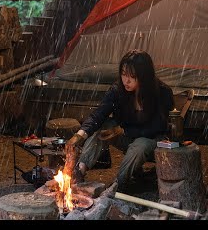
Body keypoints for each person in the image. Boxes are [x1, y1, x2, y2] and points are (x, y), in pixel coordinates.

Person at [64, 49, 175, 191]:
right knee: (102, 127)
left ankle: (118, 184)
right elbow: (99, 114)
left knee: (140, 146)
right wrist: (79, 135)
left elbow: (158, 126)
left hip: (152, 140)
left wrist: (122, 130)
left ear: (144, 76)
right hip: (125, 136)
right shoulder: (117, 90)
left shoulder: (161, 92)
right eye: (123, 74)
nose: (126, 80)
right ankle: (79, 170)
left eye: (132, 76)